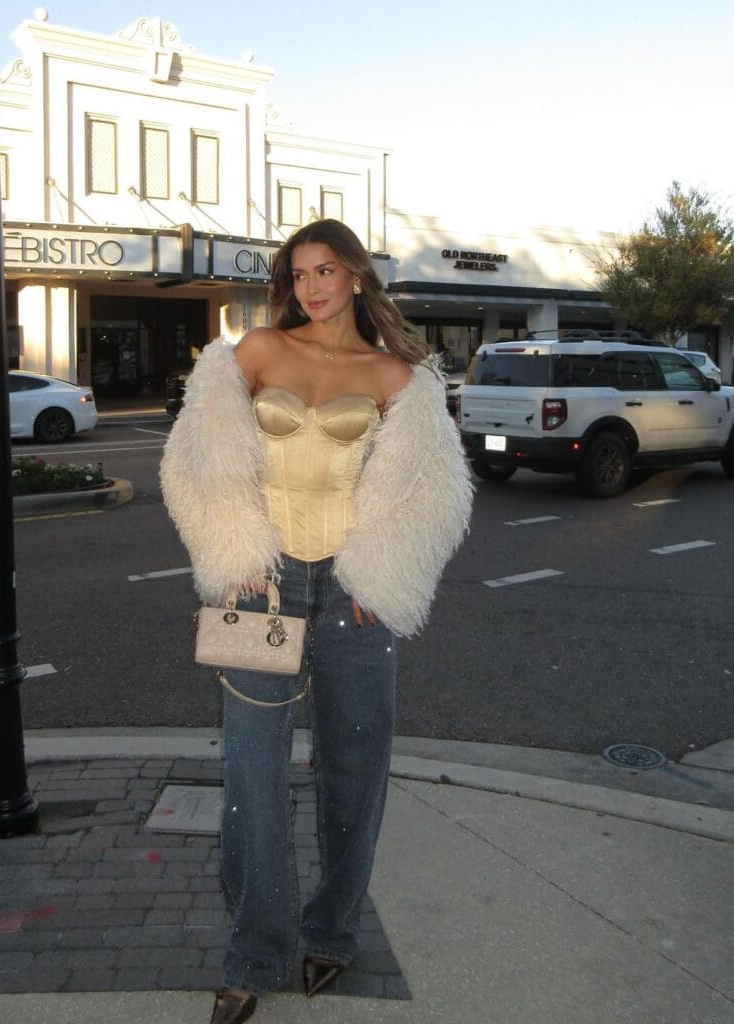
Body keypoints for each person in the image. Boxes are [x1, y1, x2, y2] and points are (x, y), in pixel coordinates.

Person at [160, 219, 473, 1024]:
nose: (312, 286)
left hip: (352, 593)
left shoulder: (395, 374)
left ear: (357, 276)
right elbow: (192, 466)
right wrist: (232, 556)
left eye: (327, 269)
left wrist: (386, 571)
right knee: (251, 777)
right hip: (259, 583)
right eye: (299, 273)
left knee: (353, 770)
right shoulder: (254, 353)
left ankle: (330, 933)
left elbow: (430, 492)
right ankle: (252, 954)